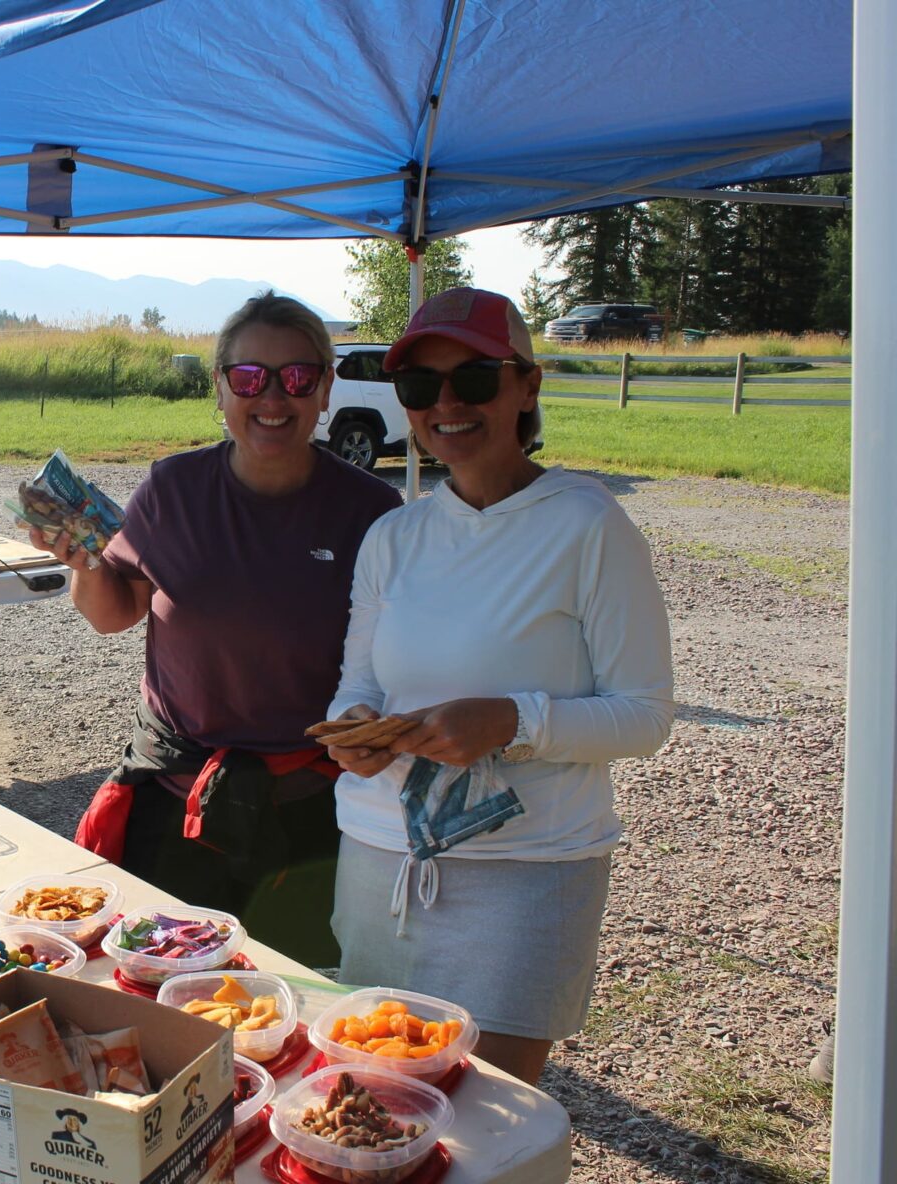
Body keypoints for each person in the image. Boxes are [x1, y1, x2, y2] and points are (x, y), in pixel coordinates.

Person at [323, 287, 675, 1084]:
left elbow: (646, 715)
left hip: (527, 870)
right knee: (375, 1100)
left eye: (475, 378)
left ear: (527, 385)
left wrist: (512, 721)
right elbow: (358, 683)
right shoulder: (393, 535)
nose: (446, 403)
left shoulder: (588, 525)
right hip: (379, 855)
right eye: (420, 385)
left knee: (489, 1113)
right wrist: (354, 728)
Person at [34, 291, 401, 968]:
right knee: (162, 987)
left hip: (313, 810)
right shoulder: (173, 489)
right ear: (221, 387)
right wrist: (83, 563)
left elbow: (400, 657)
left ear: (325, 389)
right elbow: (115, 613)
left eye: (298, 377)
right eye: (249, 377)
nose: (273, 397)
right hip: (180, 802)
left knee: (298, 992)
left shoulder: (373, 510)